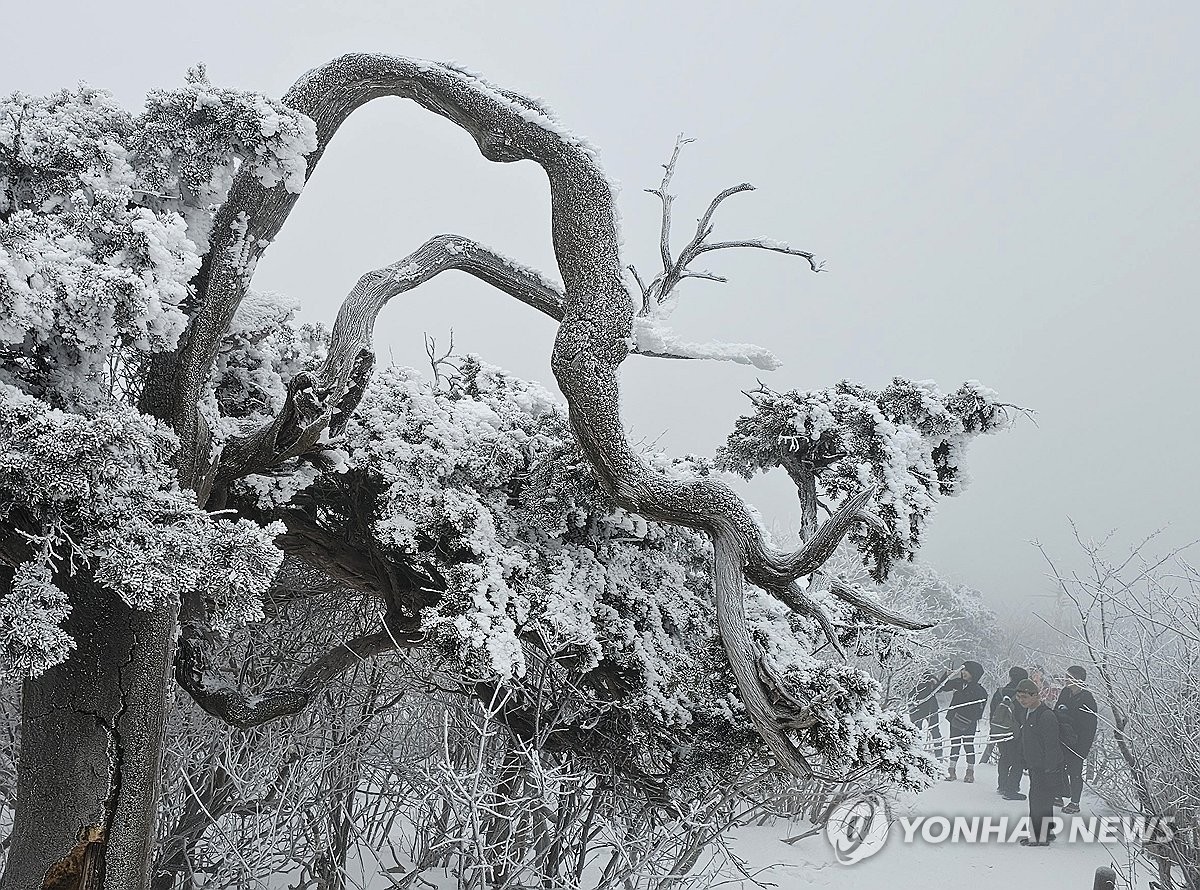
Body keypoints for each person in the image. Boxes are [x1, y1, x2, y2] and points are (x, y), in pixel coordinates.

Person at [1015, 678, 1062, 845]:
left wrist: (1050, 769)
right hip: (1034, 764)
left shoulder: (1046, 715)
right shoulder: (1027, 712)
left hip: (1045, 766)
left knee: (1038, 800)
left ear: (1036, 696)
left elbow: (1051, 745)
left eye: (1025, 697)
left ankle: (1039, 837)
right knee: (1041, 800)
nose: (1021, 700)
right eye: (1019, 697)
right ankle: (1047, 833)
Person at [1054, 665, 1098, 814]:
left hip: (1077, 742)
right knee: (1058, 767)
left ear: (1079, 680)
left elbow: (1090, 726)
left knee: (1075, 772)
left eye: (1070, 677)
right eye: (1066, 677)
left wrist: (1083, 749)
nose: (1066, 680)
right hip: (1061, 738)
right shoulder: (1065, 693)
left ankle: (1075, 802)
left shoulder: (1087, 699)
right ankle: (1058, 795)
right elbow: (1056, 711)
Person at [943, 661, 987, 782]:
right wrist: (947, 676)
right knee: (955, 745)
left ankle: (970, 772)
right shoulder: (958, 683)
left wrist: (968, 718)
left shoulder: (979, 690)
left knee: (968, 746)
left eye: (966, 670)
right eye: (963, 670)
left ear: (974, 674)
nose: (963, 673)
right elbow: (943, 687)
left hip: (968, 722)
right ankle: (951, 771)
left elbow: (978, 710)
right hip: (954, 721)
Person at [990, 666, 1029, 800]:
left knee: (1004, 756)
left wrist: (995, 728)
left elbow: (992, 710)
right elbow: (1023, 714)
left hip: (1000, 730)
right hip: (1015, 732)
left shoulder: (1000, 692)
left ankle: (1002, 785)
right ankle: (1011, 790)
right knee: (1018, 760)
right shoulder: (1022, 694)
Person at [909, 669, 948, 760]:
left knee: (934, 731)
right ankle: (915, 754)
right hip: (916, 708)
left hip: (929, 708)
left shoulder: (927, 676)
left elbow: (939, 688)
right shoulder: (909, 677)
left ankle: (939, 756)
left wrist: (945, 676)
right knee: (916, 731)